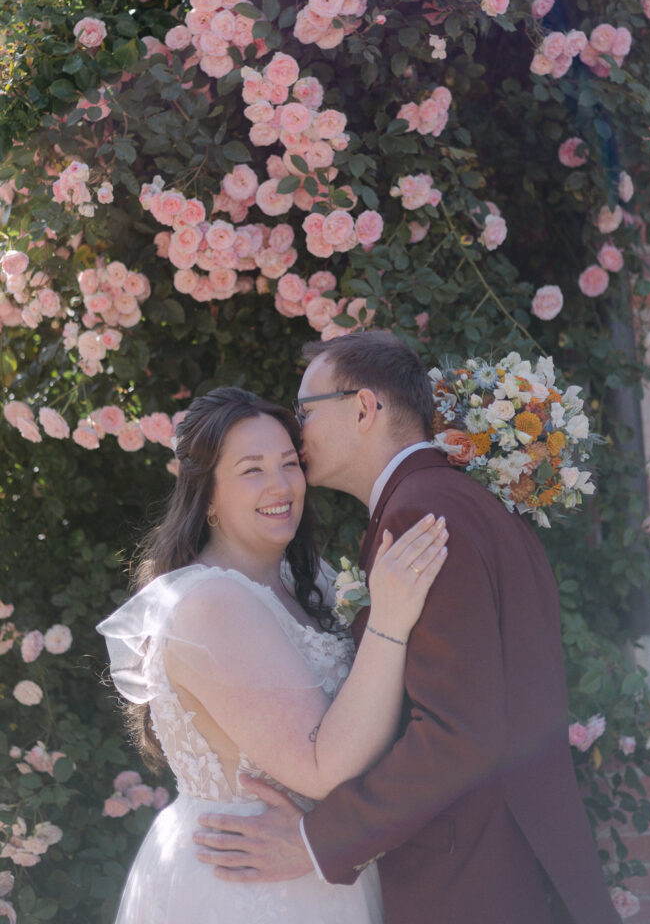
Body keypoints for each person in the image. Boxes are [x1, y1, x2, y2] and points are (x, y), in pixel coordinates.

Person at [193, 332, 621, 924]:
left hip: (470, 880)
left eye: (304, 411)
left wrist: (316, 840)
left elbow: (457, 733)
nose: (297, 433)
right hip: (501, 859)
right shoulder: (454, 499)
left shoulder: (421, 512)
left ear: (363, 408)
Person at [96, 385, 448, 924]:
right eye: (252, 470)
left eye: (289, 463)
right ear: (207, 496)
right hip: (249, 885)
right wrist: (391, 619)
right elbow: (321, 768)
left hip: (318, 864)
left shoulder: (307, 580)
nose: (281, 485)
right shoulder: (209, 604)